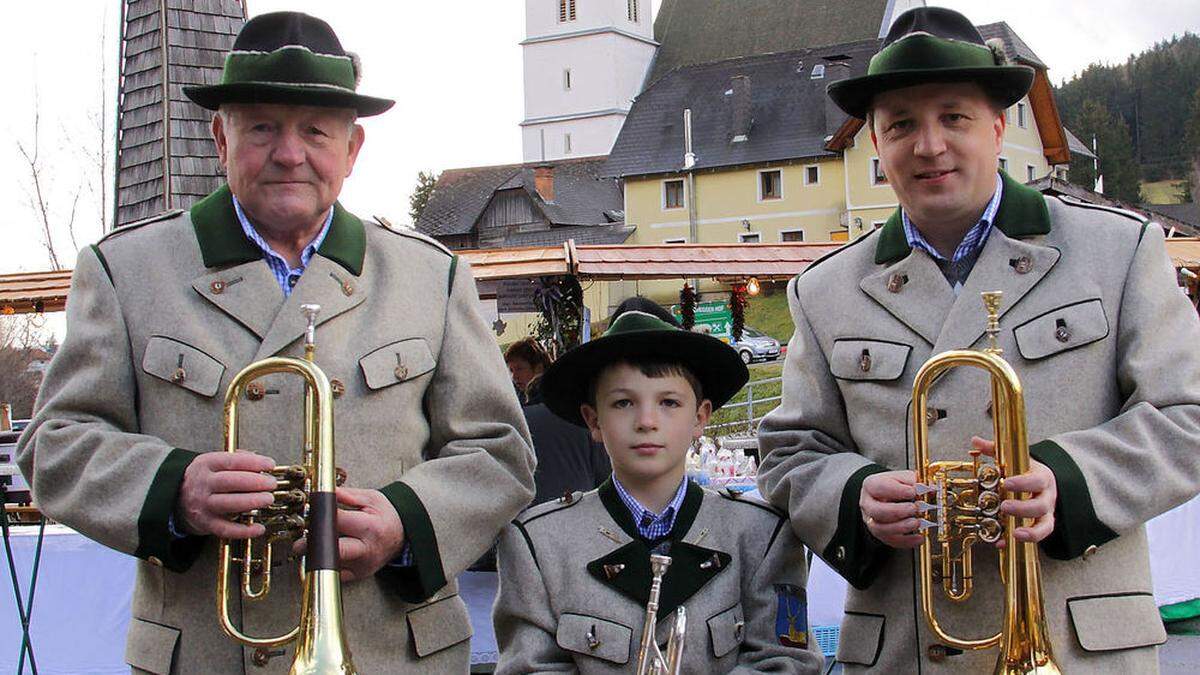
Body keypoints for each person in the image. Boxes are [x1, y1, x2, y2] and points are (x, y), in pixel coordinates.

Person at [17, 12, 534, 673]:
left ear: (352, 150)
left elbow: (499, 453)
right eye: (261, 126)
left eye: (315, 131)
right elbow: (55, 443)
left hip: (392, 655)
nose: (290, 153)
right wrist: (173, 489)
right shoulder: (126, 272)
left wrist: (405, 521)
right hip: (204, 655)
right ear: (220, 137)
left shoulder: (432, 277)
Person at [757, 7, 1200, 673]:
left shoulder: (1118, 250)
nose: (928, 144)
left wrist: (1070, 482)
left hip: (1081, 650)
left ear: (998, 126)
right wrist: (853, 496)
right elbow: (791, 452)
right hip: (908, 651)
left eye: (953, 117)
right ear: (875, 142)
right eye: (901, 123)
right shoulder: (824, 291)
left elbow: (1187, 415)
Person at [493, 311, 823, 673]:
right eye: (623, 403)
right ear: (593, 420)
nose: (647, 421)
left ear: (700, 418)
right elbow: (529, 666)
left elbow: (787, 662)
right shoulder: (539, 543)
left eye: (669, 402)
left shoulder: (759, 535)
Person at [504, 337, 551, 402]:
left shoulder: (555, 396)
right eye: (511, 370)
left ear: (539, 368)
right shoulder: (515, 397)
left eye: (519, 369)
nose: (514, 376)